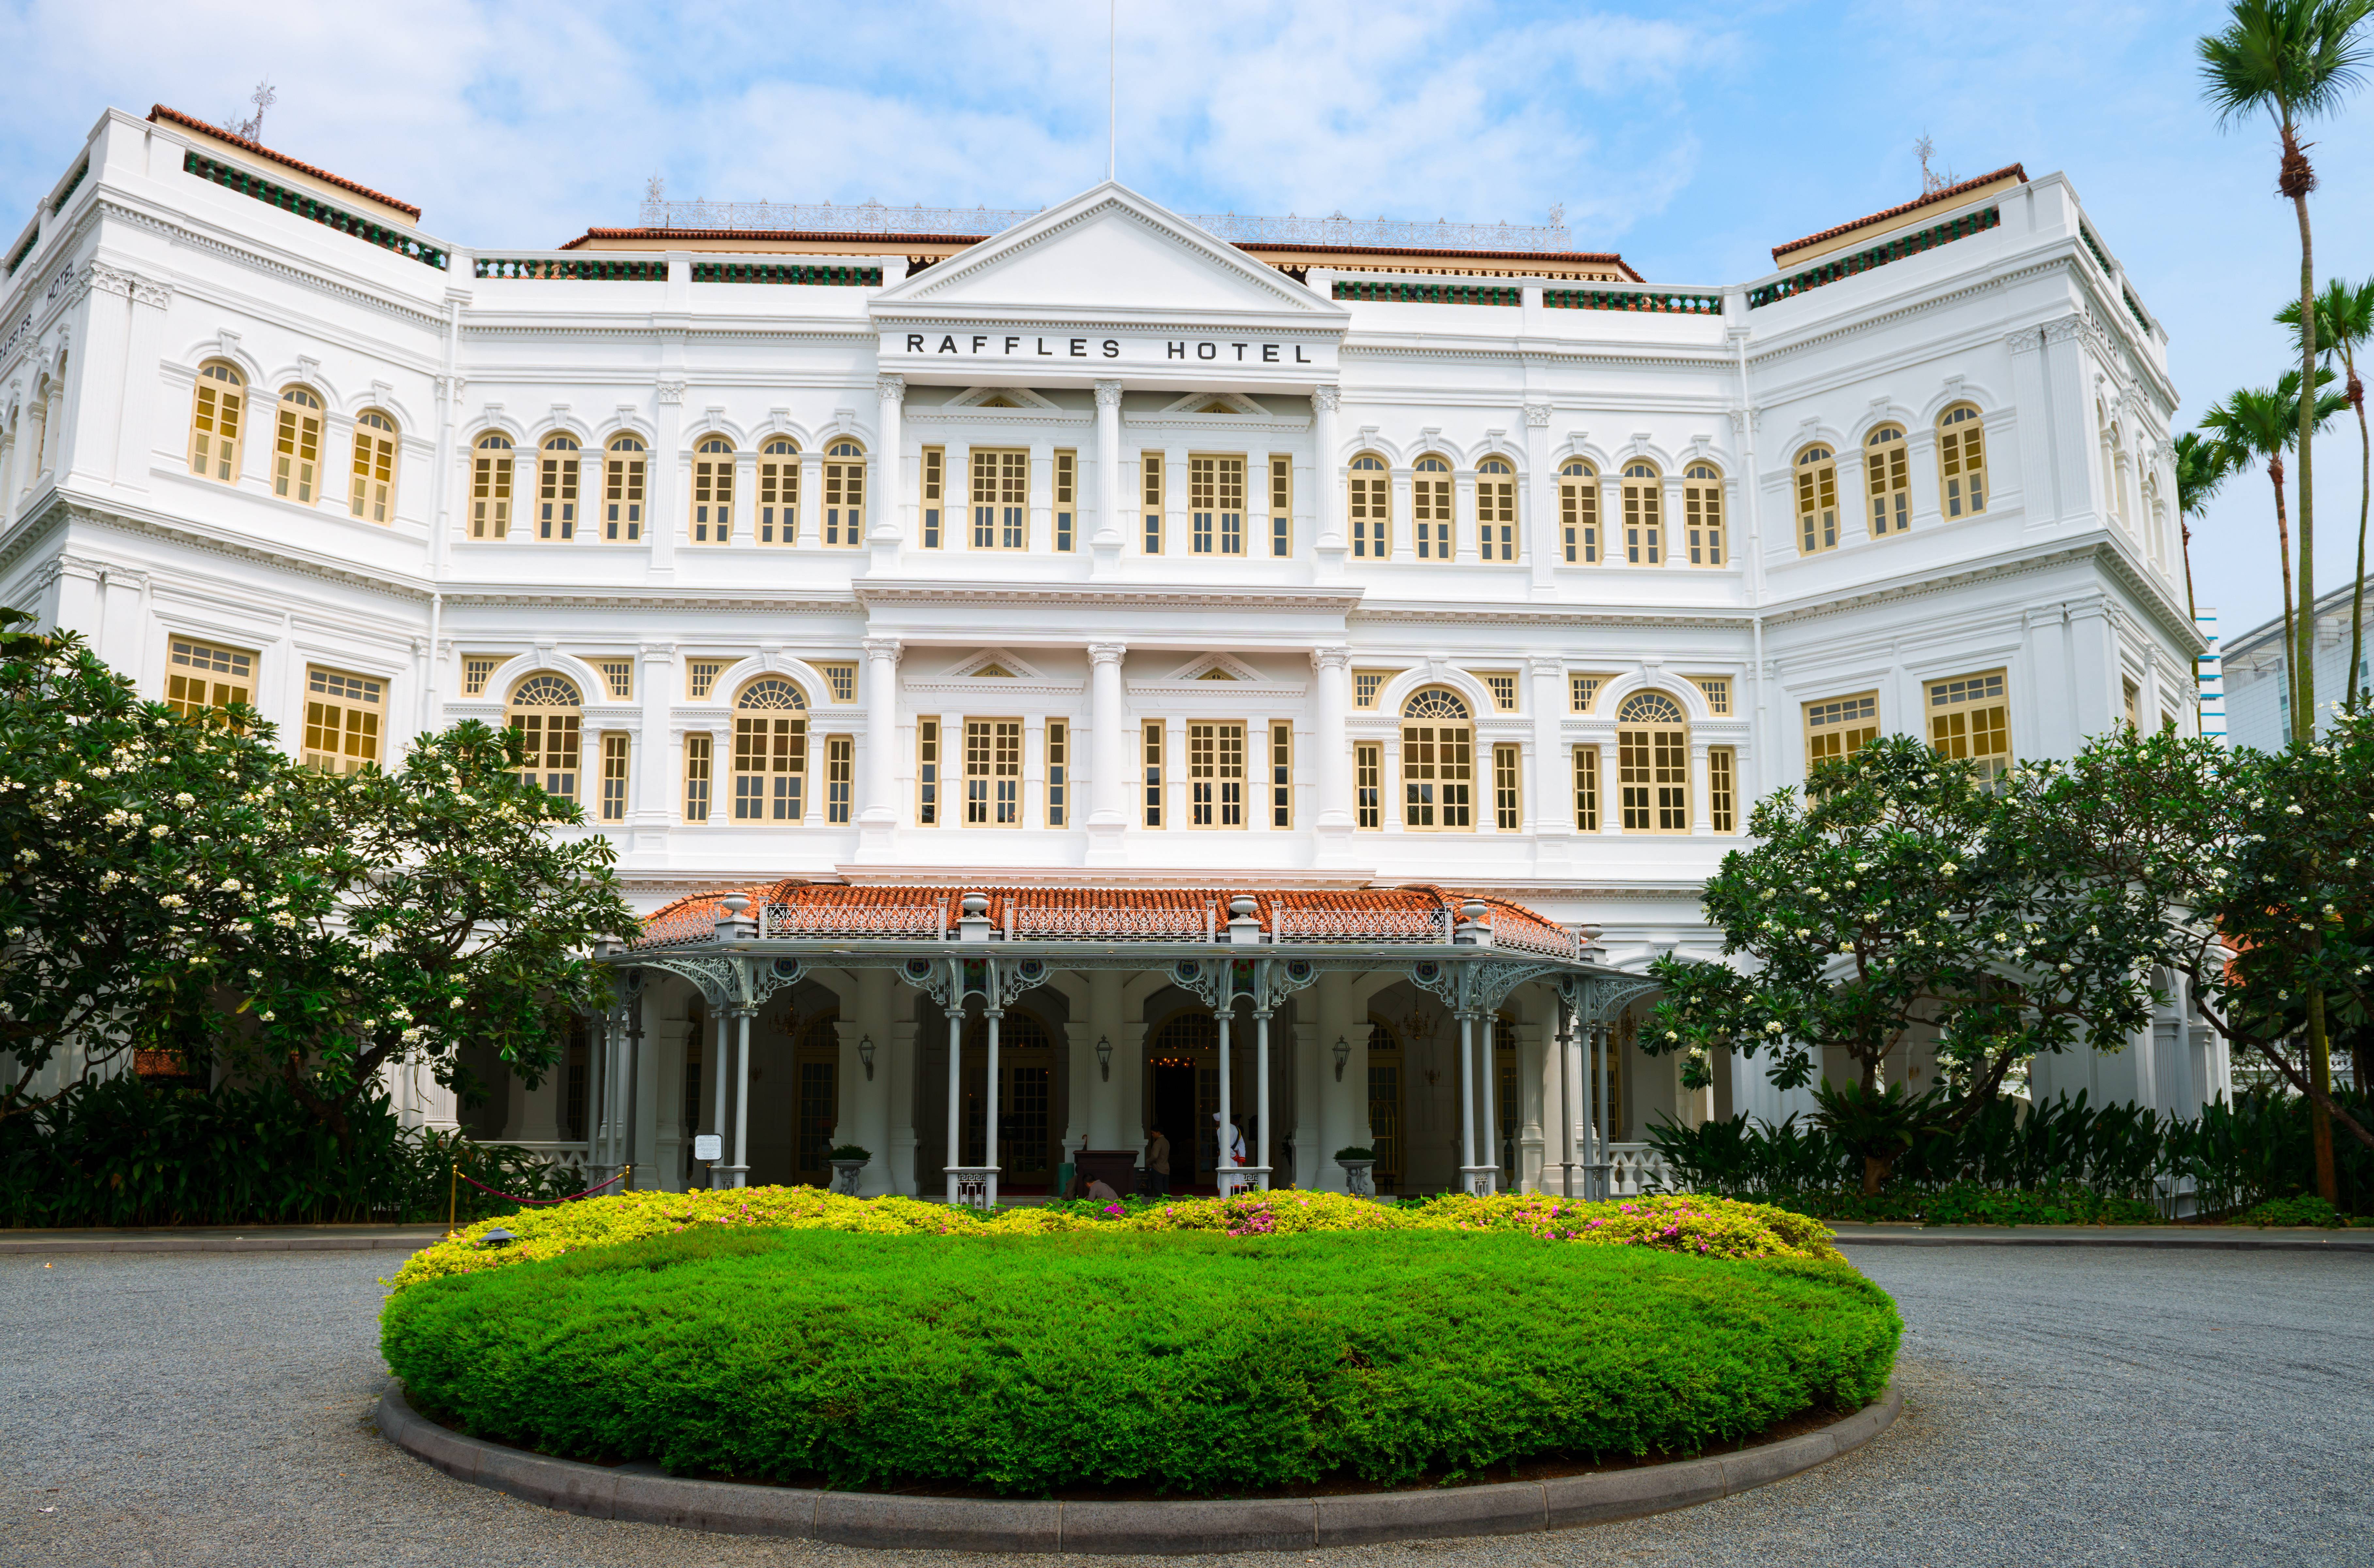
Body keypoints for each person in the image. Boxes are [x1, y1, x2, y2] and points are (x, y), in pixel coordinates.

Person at [1144, 1126, 1171, 1197]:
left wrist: (1148, 1162)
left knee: (1158, 1189)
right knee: (1166, 1189)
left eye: (1153, 1133)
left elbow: (1155, 1156)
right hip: (1166, 1168)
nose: (1152, 1135)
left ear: (1158, 1133)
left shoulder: (1158, 1143)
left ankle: (1160, 1203)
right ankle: (1167, 1203)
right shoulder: (1166, 1142)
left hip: (1158, 1169)